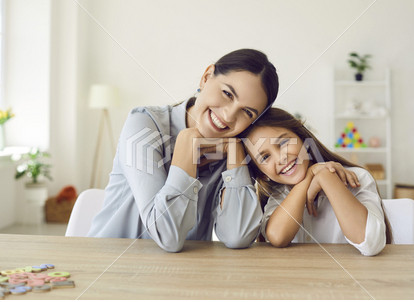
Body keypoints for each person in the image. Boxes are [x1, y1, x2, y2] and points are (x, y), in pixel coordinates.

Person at [88, 49, 279, 252]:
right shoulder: (144, 124)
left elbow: (237, 236)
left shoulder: (231, 151)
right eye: (227, 94)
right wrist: (186, 147)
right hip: (109, 265)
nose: (229, 115)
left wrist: (236, 154)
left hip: (181, 274)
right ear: (206, 78)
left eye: (247, 112)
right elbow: (167, 236)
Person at [240, 107, 391, 256]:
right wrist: (309, 177)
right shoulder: (278, 195)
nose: (281, 158)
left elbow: (371, 244)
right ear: (262, 173)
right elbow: (278, 237)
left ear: (304, 139)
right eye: (265, 157)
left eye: (283, 143)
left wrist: (326, 177)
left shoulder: (356, 177)